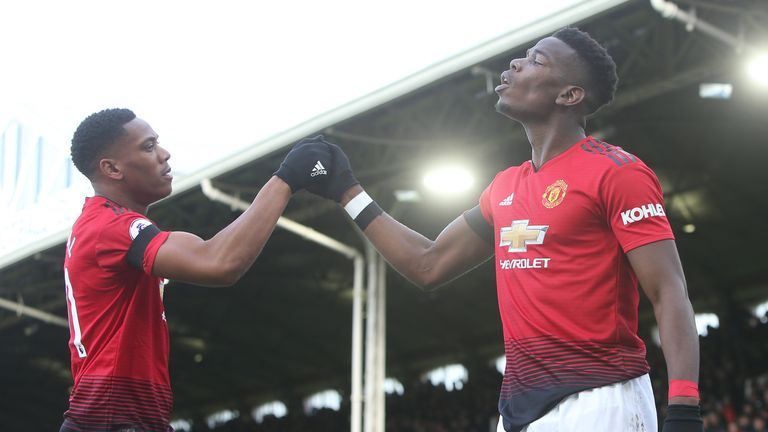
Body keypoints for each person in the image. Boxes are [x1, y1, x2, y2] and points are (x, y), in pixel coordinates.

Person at [305, 28, 703, 431]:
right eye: (524, 55)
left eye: (536, 60)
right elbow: (428, 264)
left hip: (600, 400)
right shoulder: (504, 187)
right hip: (518, 412)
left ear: (569, 95)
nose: (515, 63)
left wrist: (684, 407)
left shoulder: (617, 172)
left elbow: (668, 289)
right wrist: (346, 190)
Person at [60, 108, 333, 432]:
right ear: (112, 168)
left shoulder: (105, 224)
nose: (164, 154)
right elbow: (219, 262)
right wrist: (286, 179)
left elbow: (212, 253)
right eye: (148, 147)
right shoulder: (110, 227)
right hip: (111, 420)